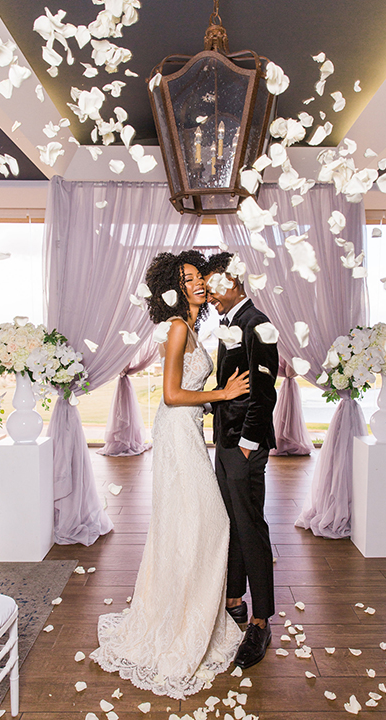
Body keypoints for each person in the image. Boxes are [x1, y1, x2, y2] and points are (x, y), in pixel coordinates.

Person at [91, 249, 249, 699]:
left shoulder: (193, 327)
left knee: (186, 525)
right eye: (187, 278)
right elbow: (173, 394)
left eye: (199, 275)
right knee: (208, 523)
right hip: (179, 431)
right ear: (173, 289)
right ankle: (181, 622)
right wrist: (224, 392)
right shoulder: (179, 327)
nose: (198, 282)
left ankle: (189, 615)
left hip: (188, 432)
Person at [204, 251, 278, 669]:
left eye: (214, 287)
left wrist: (248, 444)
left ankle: (261, 621)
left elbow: (264, 393)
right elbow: (231, 387)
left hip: (243, 447)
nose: (211, 296)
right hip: (226, 444)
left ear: (232, 281)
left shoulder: (258, 324)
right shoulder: (232, 323)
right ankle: (234, 600)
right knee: (232, 524)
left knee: (252, 530)